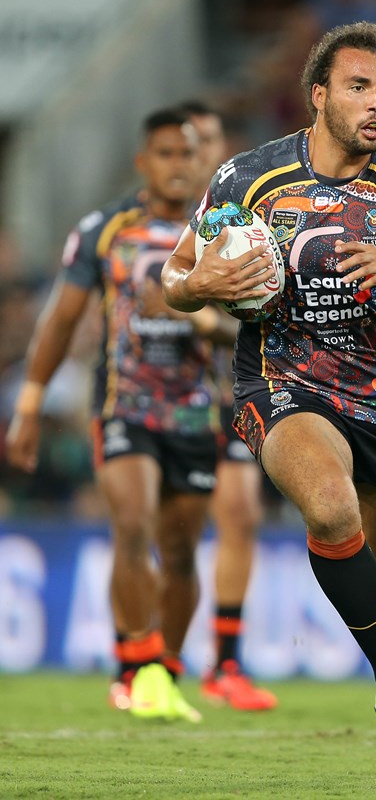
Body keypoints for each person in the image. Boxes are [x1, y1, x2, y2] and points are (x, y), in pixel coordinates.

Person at [162, 23, 376, 778]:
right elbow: (174, 279)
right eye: (359, 87)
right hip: (280, 382)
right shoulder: (249, 177)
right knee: (332, 507)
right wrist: (201, 287)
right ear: (319, 96)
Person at [6, 108, 236, 721]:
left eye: (188, 154)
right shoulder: (106, 228)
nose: (178, 166)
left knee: (182, 550)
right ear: (144, 162)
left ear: (201, 161)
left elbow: (252, 324)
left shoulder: (225, 231)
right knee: (132, 526)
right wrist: (28, 405)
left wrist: (204, 318)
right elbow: (60, 318)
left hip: (194, 412)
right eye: (165, 153)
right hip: (123, 406)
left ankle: (165, 670)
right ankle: (134, 667)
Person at [176, 100, 278, 710]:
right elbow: (164, 294)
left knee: (239, 514)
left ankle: (225, 663)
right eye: (191, 144)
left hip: (234, 391)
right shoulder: (172, 224)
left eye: (210, 141)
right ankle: (150, 657)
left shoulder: (248, 212)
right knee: (179, 528)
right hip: (170, 399)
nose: (203, 154)